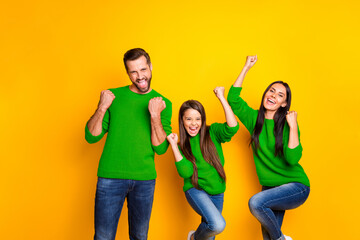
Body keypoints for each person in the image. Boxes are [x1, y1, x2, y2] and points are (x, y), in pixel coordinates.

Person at [85, 48, 172, 240]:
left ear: (150, 67)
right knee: (103, 237)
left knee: (140, 237)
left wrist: (155, 115)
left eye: (143, 69)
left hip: (144, 180)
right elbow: (91, 136)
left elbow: (161, 147)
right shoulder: (113, 97)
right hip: (110, 178)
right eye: (133, 72)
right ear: (127, 73)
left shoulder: (162, 102)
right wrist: (102, 107)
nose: (139, 76)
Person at [227, 55, 310, 240]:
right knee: (267, 237)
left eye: (280, 95)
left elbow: (292, 159)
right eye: (271, 91)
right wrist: (246, 67)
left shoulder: (288, 124)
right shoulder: (253, 119)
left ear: (284, 104)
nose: (273, 95)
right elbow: (233, 99)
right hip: (270, 188)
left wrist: (294, 125)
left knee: (256, 203)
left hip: (296, 186)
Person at [167, 87, 239, 240]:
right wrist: (174, 145)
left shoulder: (213, 132)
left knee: (210, 233)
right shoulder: (182, 145)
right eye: (188, 119)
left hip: (217, 191)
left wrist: (221, 97)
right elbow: (186, 173)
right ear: (182, 121)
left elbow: (233, 127)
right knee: (217, 225)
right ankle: (193, 237)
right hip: (195, 189)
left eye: (197, 119)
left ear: (202, 120)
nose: (194, 123)